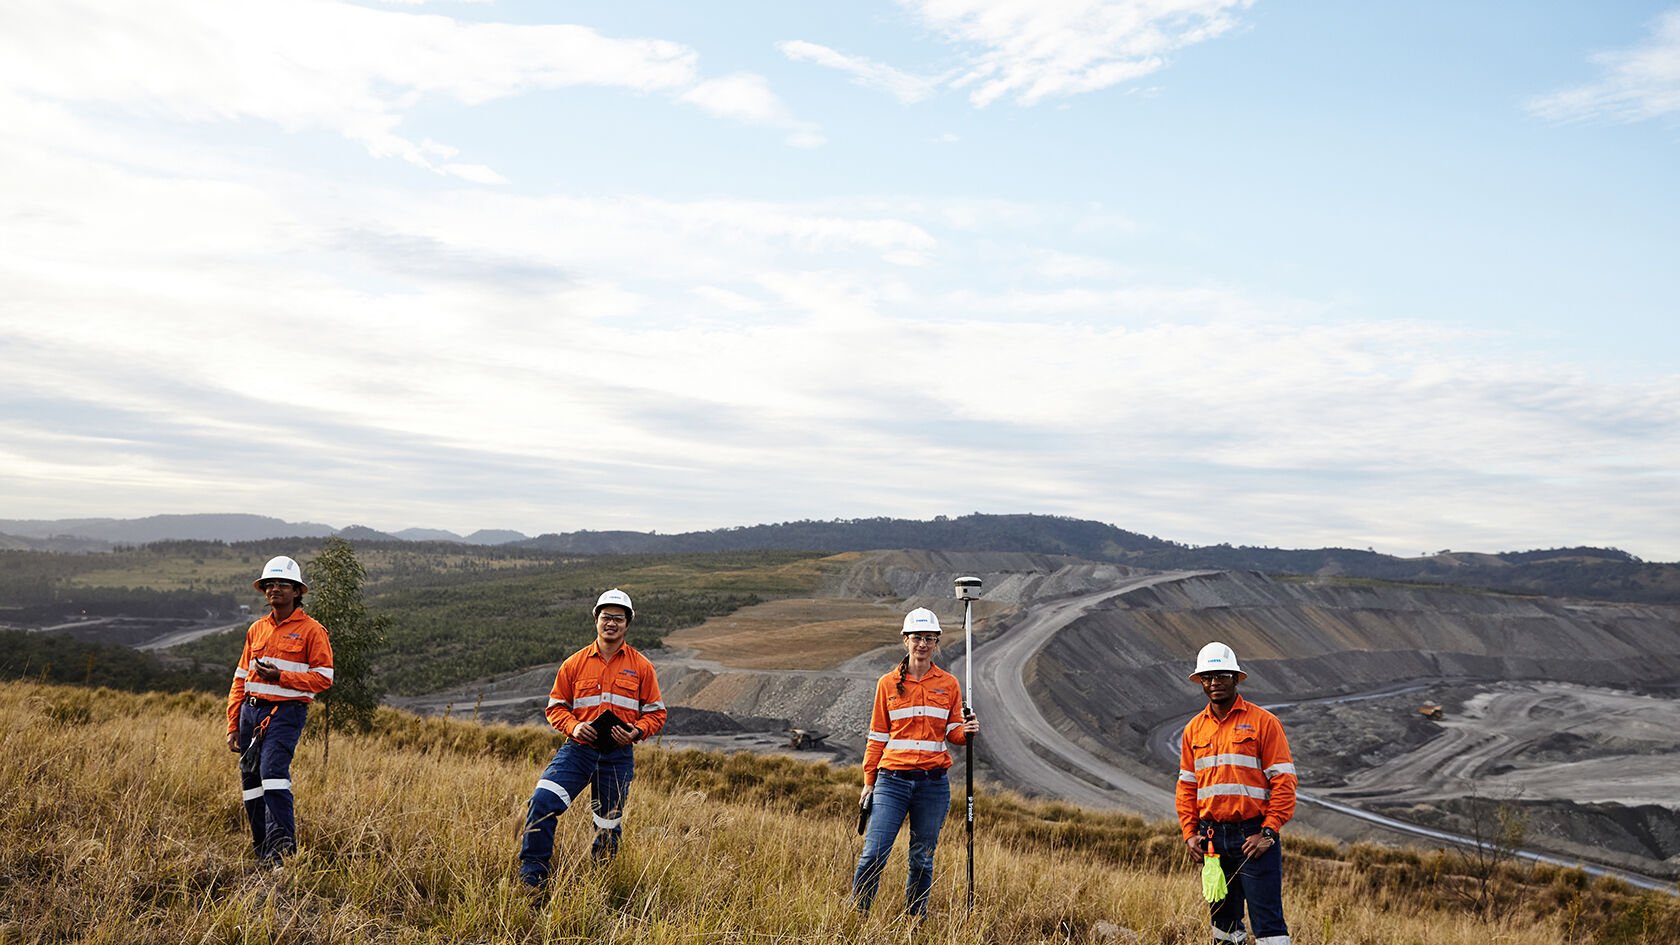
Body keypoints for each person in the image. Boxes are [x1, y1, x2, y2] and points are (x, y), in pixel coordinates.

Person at [518, 588, 666, 886]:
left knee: (607, 824)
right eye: (606, 617)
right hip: (578, 750)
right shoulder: (574, 664)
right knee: (543, 801)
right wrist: (573, 727)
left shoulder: (642, 667)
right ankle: (532, 879)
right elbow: (556, 707)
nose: (611, 623)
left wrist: (635, 731)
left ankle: (601, 883)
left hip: (617, 755)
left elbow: (656, 714)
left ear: (627, 624)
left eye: (619, 619)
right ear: (596, 619)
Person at [850, 607, 979, 917]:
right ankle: (857, 913)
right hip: (891, 781)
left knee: (922, 858)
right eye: (917, 637)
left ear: (936, 643)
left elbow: (952, 733)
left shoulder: (948, 684)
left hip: (932, 785)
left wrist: (968, 730)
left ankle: (914, 920)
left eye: (930, 638)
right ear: (905, 640)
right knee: (875, 853)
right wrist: (869, 782)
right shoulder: (887, 684)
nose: (923, 644)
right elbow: (877, 737)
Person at [1176, 642, 1297, 945]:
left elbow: (1284, 781)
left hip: (1253, 837)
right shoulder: (1194, 730)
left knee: (1268, 925)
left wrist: (1268, 832)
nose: (1214, 683)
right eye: (1208, 677)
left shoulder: (1264, 723)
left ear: (1235, 677)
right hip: (1212, 841)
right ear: (1200, 682)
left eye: (1221, 676)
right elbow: (1187, 786)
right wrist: (1190, 833)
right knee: (1223, 924)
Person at [225, 555, 334, 865]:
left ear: (297, 591)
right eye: (269, 584)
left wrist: (282, 677)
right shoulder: (256, 629)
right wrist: (233, 724)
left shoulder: (312, 631)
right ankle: (263, 851)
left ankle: (283, 855)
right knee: (251, 782)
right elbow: (240, 679)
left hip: (286, 713)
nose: (274, 589)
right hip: (250, 713)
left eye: (282, 584)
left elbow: (324, 678)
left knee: (272, 774)